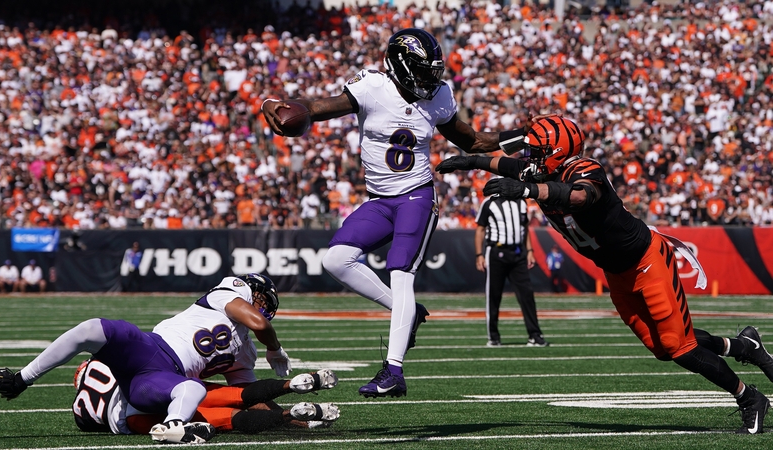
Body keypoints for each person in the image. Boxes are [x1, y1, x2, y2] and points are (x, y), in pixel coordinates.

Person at [435, 114, 773, 434]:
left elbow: (581, 196)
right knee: (662, 347)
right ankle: (744, 346)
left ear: (556, 153)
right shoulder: (540, 170)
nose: (530, 158)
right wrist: (472, 162)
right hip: (616, 273)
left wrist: (528, 191)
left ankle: (749, 397)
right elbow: (508, 164)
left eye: (537, 152)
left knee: (679, 346)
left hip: (648, 261)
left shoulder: (585, 168)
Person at [262, 28, 511, 398]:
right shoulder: (372, 87)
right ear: (399, 64)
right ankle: (408, 311)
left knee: (400, 273)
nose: (430, 78)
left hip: (416, 197)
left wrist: (521, 135)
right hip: (379, 200)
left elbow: (473, 141)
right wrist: (277, 104)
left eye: (433, 70)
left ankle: (393, 370)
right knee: (336, 259)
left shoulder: (440, 96)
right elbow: (315, 108)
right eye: (422, 69)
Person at [0, 273, 293, 444]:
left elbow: (246, 397)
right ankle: (17, 380)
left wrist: (289, 416)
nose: (263, 308)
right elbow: (259, 323)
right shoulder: (228, 291)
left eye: (268, 305)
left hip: (162, 376)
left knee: (192, 391)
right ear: (249, 290)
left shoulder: (246, 351)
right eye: (261, 299)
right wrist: (275, 349)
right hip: (148, 346)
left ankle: (173, 427)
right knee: (91, 328)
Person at [72, 358, 339, 436]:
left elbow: (92, 424)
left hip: (130, 419)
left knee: (229, 420)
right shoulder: (101, 363)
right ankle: (291, 384)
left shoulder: (79, 411)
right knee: (237, 394)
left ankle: (287, 415)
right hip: (149, 389)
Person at [474, 195, 547, 347]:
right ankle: (493, 337)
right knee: (494, 296)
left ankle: (535, 335)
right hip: (495, 252)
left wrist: (530, 250)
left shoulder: (521, 202)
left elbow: (525, 227)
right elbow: (480, 228)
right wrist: (479, 254)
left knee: (527, 295)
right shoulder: (489, 202)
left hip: (518, 253)